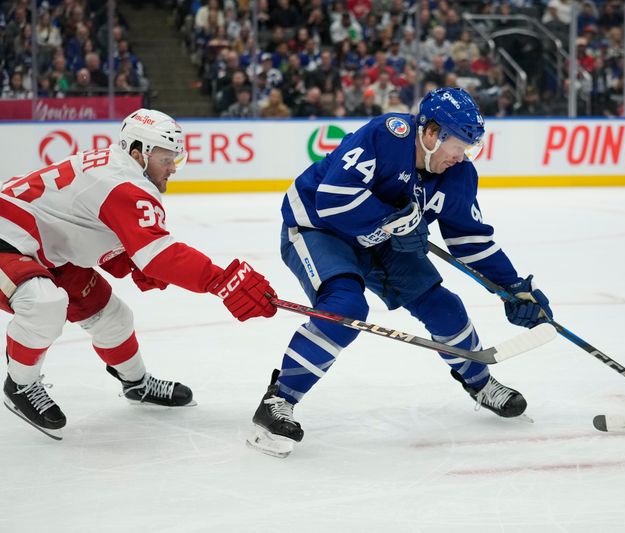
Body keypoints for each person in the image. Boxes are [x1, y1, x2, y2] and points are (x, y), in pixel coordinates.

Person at [247, 88, 553, 457]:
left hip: (384, 240)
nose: (463, 157)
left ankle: (480, 382)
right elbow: (331, 199)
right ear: (431, 133)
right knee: (345, 307)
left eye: (471, 149)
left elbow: (470, 240)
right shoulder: (385, 135)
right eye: (459, 146)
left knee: (443, 307)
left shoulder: (458, 176)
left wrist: (512, 287)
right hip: (318, 229)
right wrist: (388, 219)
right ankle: (279, 400)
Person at [0, 109, 277, 440]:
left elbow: (83, 223)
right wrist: (221, 280)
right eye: (166, 158)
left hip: (43, 248)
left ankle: (136, 384)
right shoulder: (123, 184)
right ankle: (21, 383)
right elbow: (160, 255)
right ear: (138, 153)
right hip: (8, 239)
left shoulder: (117, 170)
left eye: (176, 158)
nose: (173, 168)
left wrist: (129, 260)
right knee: (45, 304)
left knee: (113, 317)